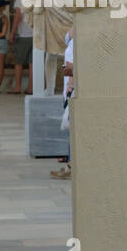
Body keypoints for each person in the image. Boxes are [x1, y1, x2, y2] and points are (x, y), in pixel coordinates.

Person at [51, 29, 74, 179]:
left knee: (73, 131)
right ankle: (70, 164)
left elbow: (71, 68)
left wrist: (69, 87)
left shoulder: (73, 45)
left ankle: (71, 166)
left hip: (73, 91)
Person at [8, 0, 33, 95]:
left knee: (19, 63)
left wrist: (12, 32)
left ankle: (17, 87)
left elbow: (18, 16)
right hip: (35, 36)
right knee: (32, 63)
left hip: (23, 35)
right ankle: (31, 88)